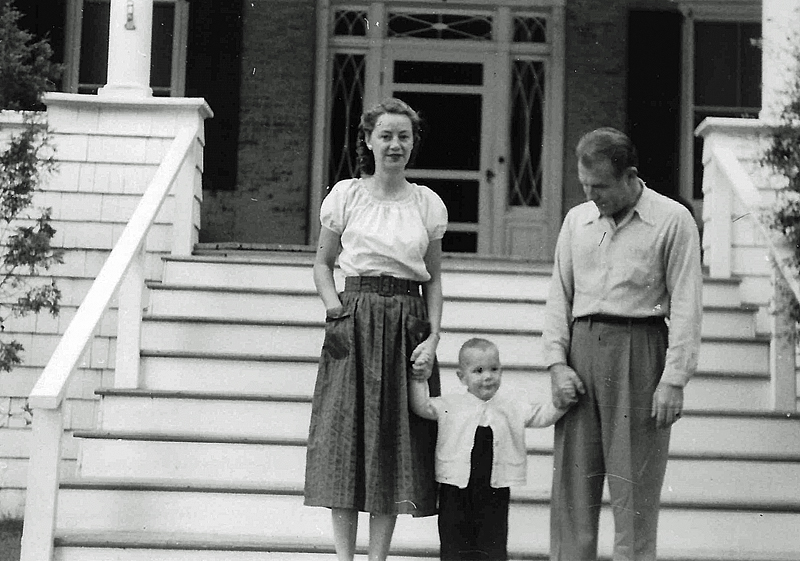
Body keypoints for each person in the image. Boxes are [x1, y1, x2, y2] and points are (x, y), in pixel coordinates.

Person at [543, 127, 703, 561]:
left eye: (601, 187)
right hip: (581, 354)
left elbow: (687, 303)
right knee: (573, 493)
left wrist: (675, 378)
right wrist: (556, 364)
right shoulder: (578, 220)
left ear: (631, 175)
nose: (592, 195)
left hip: (640, 351)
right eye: (585, 186)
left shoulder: (672, 220)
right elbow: (560, 293)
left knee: (634, 494)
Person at [304, 97, 448, 561]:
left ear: (413, 144)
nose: (394, 144)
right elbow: (323, 265)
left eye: (403, 136)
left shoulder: (427, 204)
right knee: (346, 440)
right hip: (355, 320)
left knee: (393, 441)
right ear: (368, 140)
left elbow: (436, 279)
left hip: (408, 322)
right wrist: (334, 312)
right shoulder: (346, 195)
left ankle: (377, 558)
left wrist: (433, 337)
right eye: (385, 135)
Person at [409, 337, 575, 561]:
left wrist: (560, 404)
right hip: (455, 489)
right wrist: (418, 379)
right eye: (478, 371)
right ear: (462, 376)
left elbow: (541, 416)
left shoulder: (511, 407)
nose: (488, 376)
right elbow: (422, 407)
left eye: (494, 369)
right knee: (454, 543)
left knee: (492, 543)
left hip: (494, 489)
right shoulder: (451, 405)